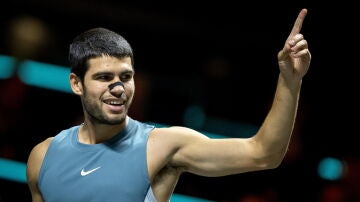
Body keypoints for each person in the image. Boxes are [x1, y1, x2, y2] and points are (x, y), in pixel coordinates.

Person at [26, 8, 311, 202]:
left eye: (126, 77)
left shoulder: (162, 145)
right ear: (77, 83)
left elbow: (263, 154)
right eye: (104, 77)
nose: (118, 88)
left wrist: (289, 80)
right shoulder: (42, 157)